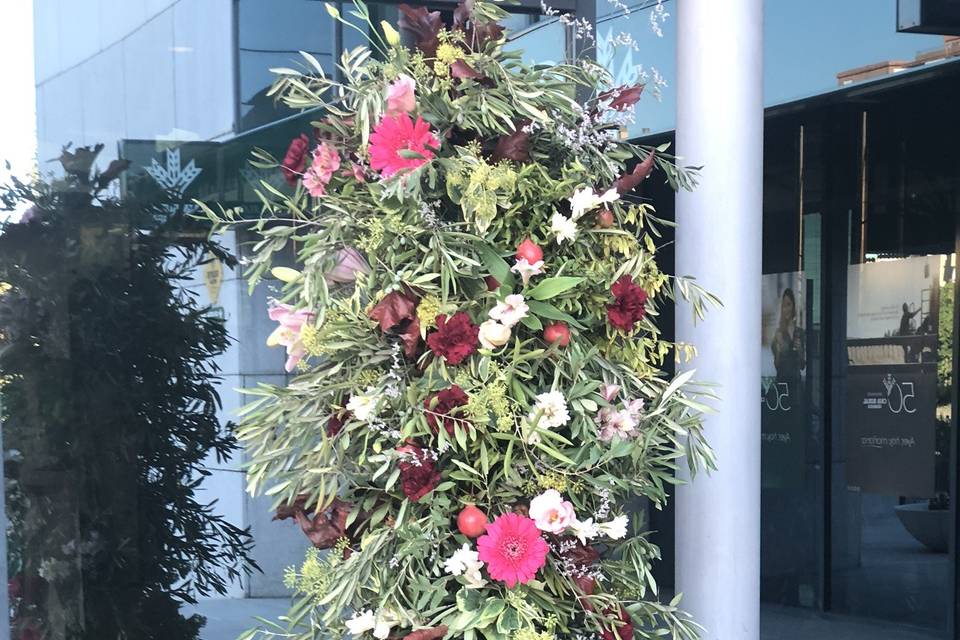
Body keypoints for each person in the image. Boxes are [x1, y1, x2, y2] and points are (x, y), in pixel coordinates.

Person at [771, 288, 805, 383]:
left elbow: (802, 366)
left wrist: (800, 350)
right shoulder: (778, 333)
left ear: (793, 306)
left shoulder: (800, 333)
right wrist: (779, 349)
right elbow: (777, 366)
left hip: (796, 383)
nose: (786, 309)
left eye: (789, 304)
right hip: (782, 384)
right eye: (784, 305)